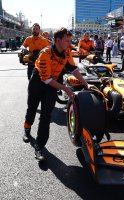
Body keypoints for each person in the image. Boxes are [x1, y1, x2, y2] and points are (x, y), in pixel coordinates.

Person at [22, 28, 94, 161]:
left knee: (46, 116)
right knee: (32, 108)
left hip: (51, 85)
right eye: (67, 41)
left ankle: (39, 147)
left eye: (70, 40)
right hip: (38, 82)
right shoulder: (46, 53)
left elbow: (73, 69)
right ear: (58, 40)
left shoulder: (67, 52)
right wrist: (66, 89)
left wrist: (86, 84)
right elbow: (46, 79)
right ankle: (27, 129)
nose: (69, 43)